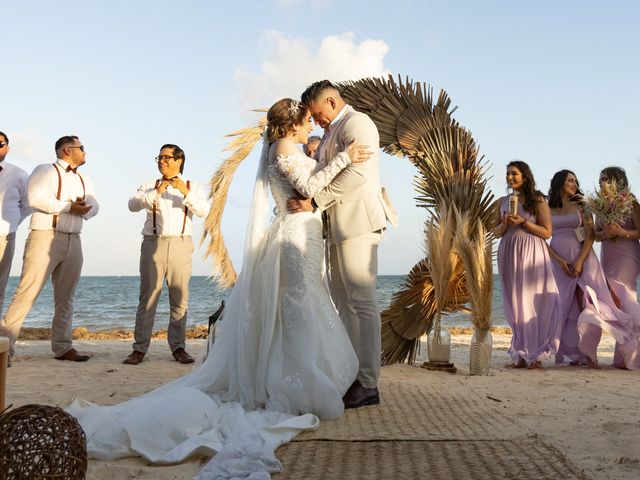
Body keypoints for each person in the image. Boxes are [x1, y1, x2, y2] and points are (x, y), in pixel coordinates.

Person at [69, 98, 370, 479]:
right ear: (292, 123)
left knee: (303, 306)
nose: (311, 127)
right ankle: (296, 382)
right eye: (307, 121)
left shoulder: (286, 148)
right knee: (300, 306)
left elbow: (305, 181)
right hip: (296, 234)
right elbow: (309, 185)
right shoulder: (283, 148)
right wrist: (344, 159)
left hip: (302, 231)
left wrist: (319, 156)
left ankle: (302, 374)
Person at [290, 80, 393, 408]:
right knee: (343, 303)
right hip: (334, 228)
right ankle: (352, 374)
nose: (317, 121)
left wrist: (315, 201)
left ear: (332, 101)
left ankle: (369, 382)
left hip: (358, 224)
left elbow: (358, 175)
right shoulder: (332, 132)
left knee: (362, 303)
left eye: (318, 114)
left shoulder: (358, 123)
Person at [0, 135, 99, 363]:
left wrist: (85, 209)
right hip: (45, 236)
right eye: (81, 147)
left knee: (66, 297)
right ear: (67, 150)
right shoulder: (44, 170)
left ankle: (63, 347)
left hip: (74, 239)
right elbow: (34, 199)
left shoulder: (84, 178)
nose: (85, 151)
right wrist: (67, 206)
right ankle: (5, 349)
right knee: (26, 295)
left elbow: (96, 206)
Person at [123, 144, 210, 365]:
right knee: (148, 297)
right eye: (159, 157)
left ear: (178, 161)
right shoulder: (148, 185)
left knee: (179, 299)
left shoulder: (194, 186)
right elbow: (132, 205)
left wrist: (185, 192)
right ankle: (139, 349)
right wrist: (156, 192)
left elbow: (204, 211)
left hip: (181, 244)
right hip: (153, 243)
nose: (161, 161)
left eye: (166, 157)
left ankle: (179, 348)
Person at [547, 170, 638, 368]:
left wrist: (580, 260)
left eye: (575, 179)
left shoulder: (584, 205)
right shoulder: (548, 206)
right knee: (562, 305)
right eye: (569, 180)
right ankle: (570, 354)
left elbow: (588, 235)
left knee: (590, 303)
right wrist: (558, 260)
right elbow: (545, 235)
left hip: (584, 256)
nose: (574, 182)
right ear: (559, 183)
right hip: (558, 259)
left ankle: (590, 354)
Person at [492, 161, 561, 369]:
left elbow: (547, 232)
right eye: (507, 174)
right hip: (508, 252)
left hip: (532, 253)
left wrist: (523, 222)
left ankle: (537, 355)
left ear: (525, 175)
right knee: (514, 303)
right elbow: (494, 232)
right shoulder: (502, 202)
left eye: (514, 173)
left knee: (532, 302)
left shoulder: (537, 200)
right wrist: (504, 224)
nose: (510, 177)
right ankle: (521, 354)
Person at [594, 166, 640, 368]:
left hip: (627, 255)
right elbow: (595, 234)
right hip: (608, 255)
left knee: (625, 297)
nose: (601, 183)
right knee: (617, 304)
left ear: (616, 181)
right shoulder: (600, 206)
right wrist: (605, 234)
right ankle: (624, 357)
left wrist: (622, 232)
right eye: (600, 179)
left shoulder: (631, 202)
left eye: (605, 179)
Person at [0, 131, 31, 315]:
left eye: (0, 143)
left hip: (4, 236)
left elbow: (28, 203)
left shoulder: (19, 174)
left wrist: (12, 223)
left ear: (8, 148)